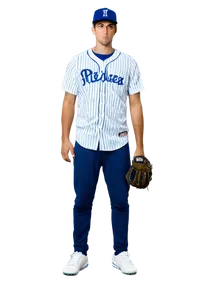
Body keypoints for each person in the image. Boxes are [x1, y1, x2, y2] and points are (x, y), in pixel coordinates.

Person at [58, 5, 147, 278]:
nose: (105, 30)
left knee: (120, 200)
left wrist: (140, 147)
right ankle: (80, 253)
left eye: (110, 26)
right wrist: (63, 139)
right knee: (82, 199)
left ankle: (120, 253)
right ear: (92, 30)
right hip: (84, 141)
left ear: (116, 30)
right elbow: (68, 101)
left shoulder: (129, 63)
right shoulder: (77, 62)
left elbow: (135, 105)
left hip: (117, 144)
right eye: (100, 25)